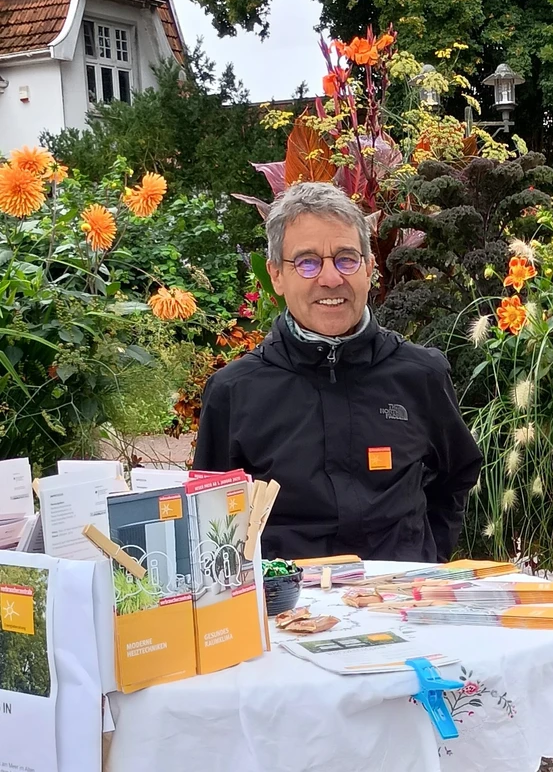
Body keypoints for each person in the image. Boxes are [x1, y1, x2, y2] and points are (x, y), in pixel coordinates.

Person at [192, 182, 483, 562]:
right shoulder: (234, 392)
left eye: (346, 259)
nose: (331, 278)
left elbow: (457, 475)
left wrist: (428, 555)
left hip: (399, 593)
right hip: (287, 595)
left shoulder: (420, 376)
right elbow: (212, 519)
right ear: (276, 275)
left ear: (370, 268)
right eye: (307, 262)